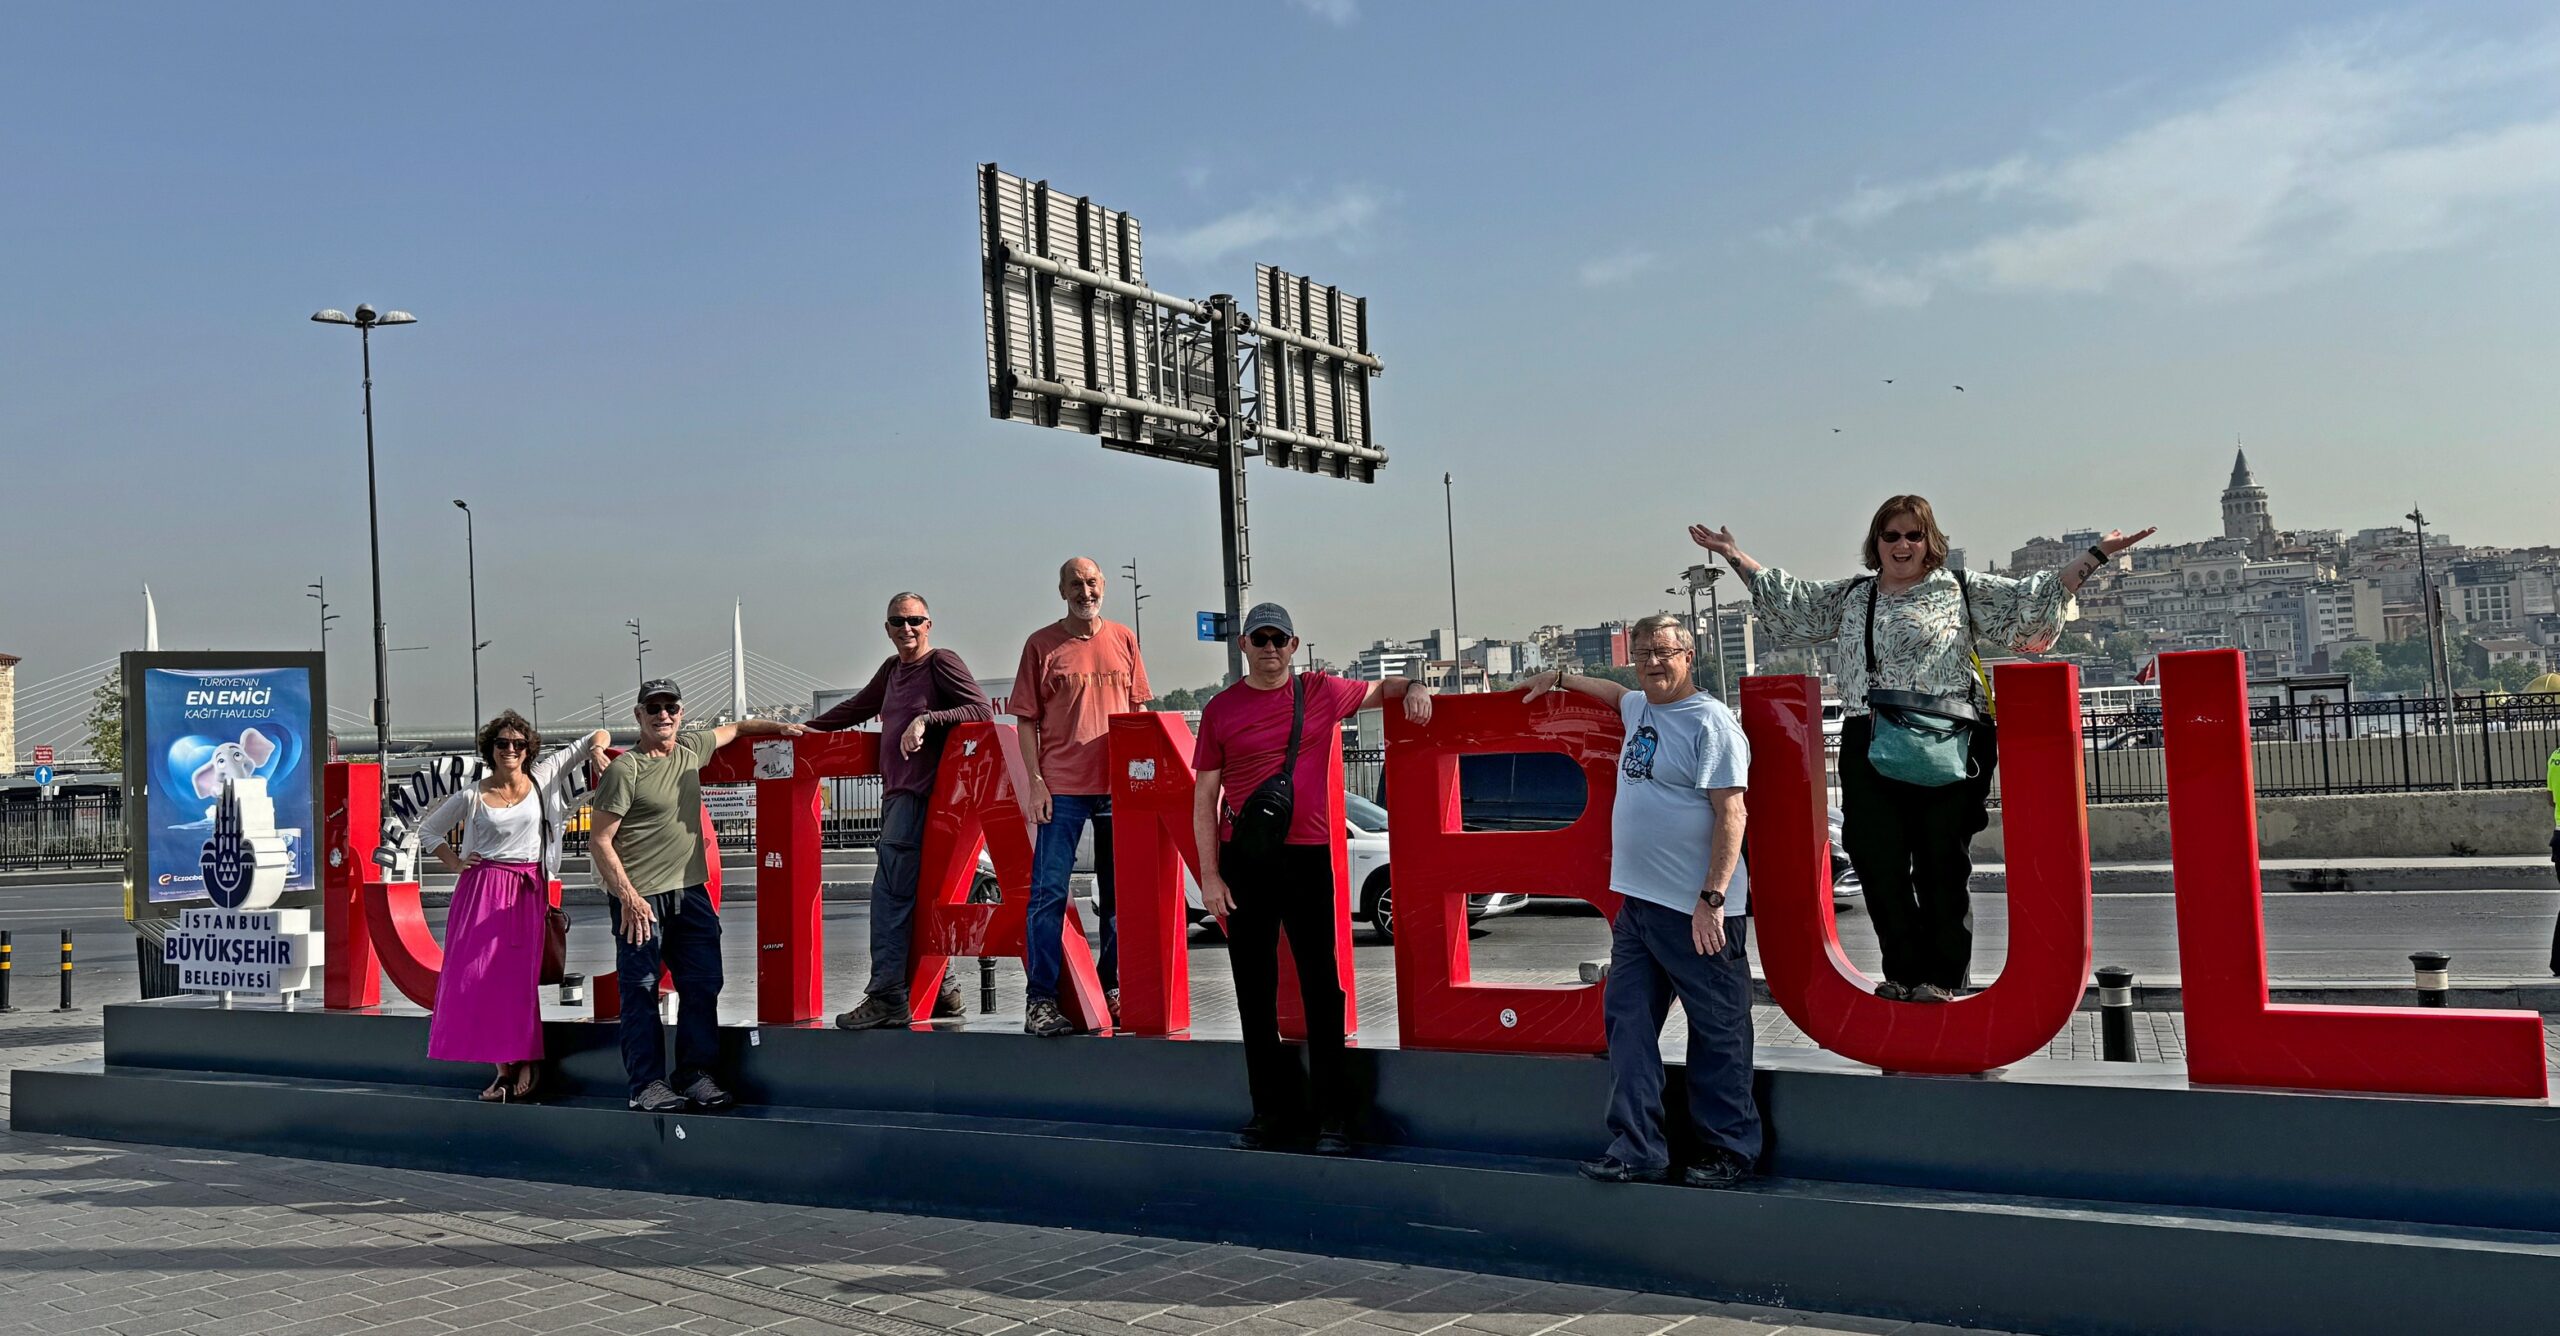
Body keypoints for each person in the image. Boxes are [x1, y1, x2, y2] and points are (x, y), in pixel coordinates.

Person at [1691, 498, 2152, 1002]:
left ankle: (1944, 981)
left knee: (1942, 865)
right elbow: (1793, 601)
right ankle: (1903, 976)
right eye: (1891, 535)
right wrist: (1734, 554)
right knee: (1875, 861)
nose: (1903, 545)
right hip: (1870, 735)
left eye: (1913, 535)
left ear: (1930, 540)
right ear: (1876, 542)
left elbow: (2032, 602)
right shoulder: (1854, 595)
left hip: (1946, 738)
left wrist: (2096, 555)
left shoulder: (1960, 588)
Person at [1524, 615, 1758, 1187]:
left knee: (1719, 1034)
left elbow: (1732, 814)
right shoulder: (1640, 708)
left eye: (1664, 652)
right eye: (1644, 653)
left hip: (1698, 913)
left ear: (1689, 656)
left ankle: (1729, 1150)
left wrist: (1712, 897)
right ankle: (1638, 1148)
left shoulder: (1711, 722)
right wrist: (1562, 678)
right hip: (1639, 909)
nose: (1653, 662)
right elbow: (1614, 693)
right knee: (1627, 1025)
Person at [1195, 602, 1435, 1154]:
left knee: (1322, 988)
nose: (1270, 648)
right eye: (1260, 638)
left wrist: (1418, 686)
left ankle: (1333, 1118)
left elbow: (1387, 688)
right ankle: (1269, 1114)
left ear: (1294, 645)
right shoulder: (1220, 710)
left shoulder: (1321, 691)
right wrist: (1209, 875)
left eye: (1278, 639)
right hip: (1243, 860)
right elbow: (1205, 795)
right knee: (1253, 990)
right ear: (1244, 645)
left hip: (1306, 858)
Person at [591, 679, 807, 1112]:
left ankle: (693, 1075)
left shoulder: (692, 748)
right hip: (641, 900)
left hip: (690, 894)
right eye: (653, 708)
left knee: (703, 984)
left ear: (681, 713)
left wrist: (783, 729)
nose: (663, 715)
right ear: (638, 715)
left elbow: (739, 728)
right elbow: (599, 840)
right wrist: (629, 897)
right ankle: (645, 1086)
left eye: (670, 707)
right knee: (641, 991)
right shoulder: (625, 770)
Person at [812, 592, 996, 1030]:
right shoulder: (892, 670)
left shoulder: (940, 662)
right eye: (898, 621)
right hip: (903, 796)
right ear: (887, 629)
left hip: (916, 797)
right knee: (923, 895)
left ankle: (887, 996)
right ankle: (945, 990)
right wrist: (804, 729)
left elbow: (981, 709)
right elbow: (857, 707)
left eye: (914, 620)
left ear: (929, 624)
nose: (906, 628)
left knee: (890, 897)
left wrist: (925, 720)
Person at [418, 712, 609, 1102]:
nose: (510, 749)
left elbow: (597, 733)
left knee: (518, 981)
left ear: (528, 749)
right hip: (482, 890)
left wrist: (597, 751)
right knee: (482, 979)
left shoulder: (544, 776)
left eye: (518, 744)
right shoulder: (472, 795)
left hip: (527, 890)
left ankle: (526, 1056)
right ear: (490, 749)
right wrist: (455, 863)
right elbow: (428, 830)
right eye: (502, 743)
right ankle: (503, 1068)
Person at [1007, 557, 1151, 1037]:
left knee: (1118, 898)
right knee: (1047, 895)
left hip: (1116, 791)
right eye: (1075, 584)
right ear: (1062, 590)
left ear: (1103, 586)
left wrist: (1140, 784)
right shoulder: (1041, 645)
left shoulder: (1124, 639)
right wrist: (1036, 782)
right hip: (1063, 790)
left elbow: (1138, 712)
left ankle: (1113, 989)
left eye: (1091, 582)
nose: (1084, 591)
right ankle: (1041, 1002)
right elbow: (1026, 721)